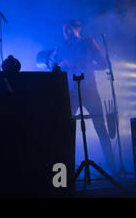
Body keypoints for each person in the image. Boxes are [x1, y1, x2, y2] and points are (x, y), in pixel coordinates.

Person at [54, 19, 117, 174]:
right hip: (71, 91)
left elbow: (103, 64)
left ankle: (112, 167)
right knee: (66, 127)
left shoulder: (89, 43)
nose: (66, 32)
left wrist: (86, 65)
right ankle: (65, 170)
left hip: (90, 89)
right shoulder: (61, 46)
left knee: (100, 126)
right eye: (64, 30)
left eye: (69, 29)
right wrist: (62, 65)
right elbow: (54, 67)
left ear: (78, 29)